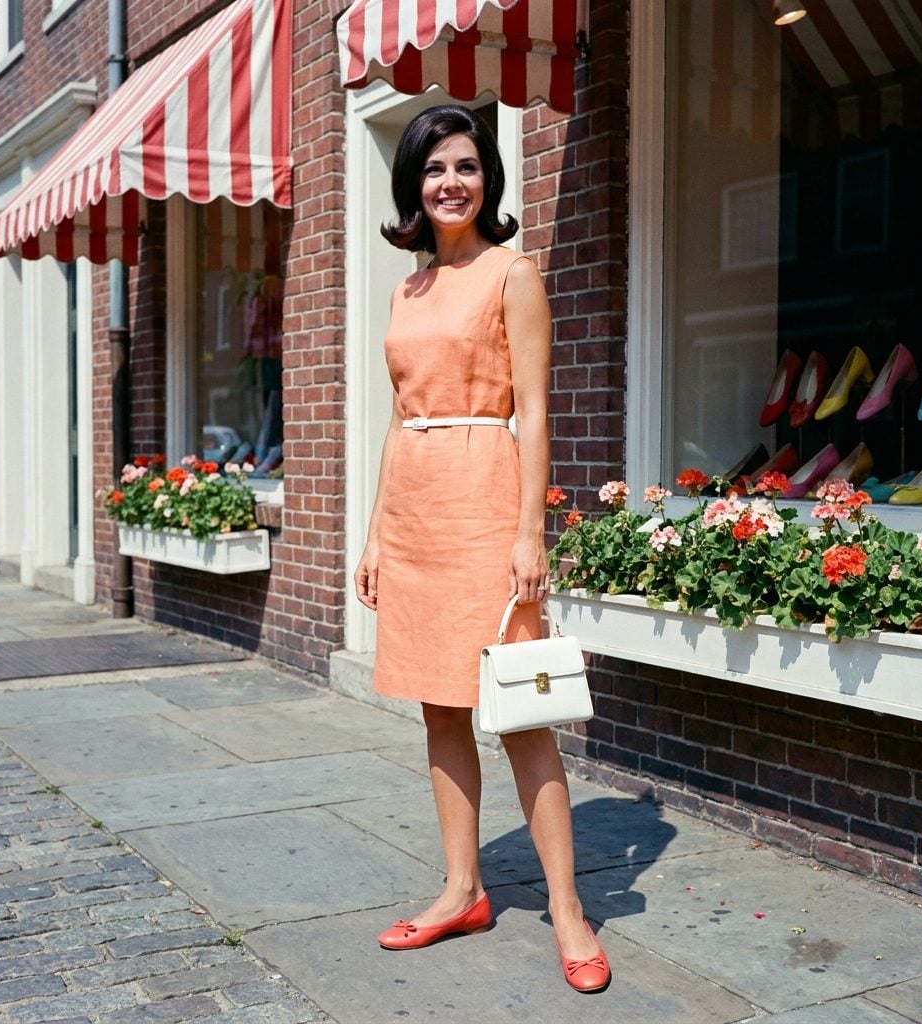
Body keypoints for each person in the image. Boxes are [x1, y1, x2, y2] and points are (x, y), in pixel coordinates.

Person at [353, 105, 610, 994]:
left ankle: (569, 908)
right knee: (438, 705)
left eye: (465, 166)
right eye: (433, 170)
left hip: (485, 495)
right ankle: (463, 888)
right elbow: (396, 417)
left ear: (488, 179)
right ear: (413, 189)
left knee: (523, 714)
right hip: (418, 509)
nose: (450, 182)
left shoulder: (514, 272)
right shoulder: (406, 291)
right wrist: (379, 532)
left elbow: (535, 410)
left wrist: (530, 529)